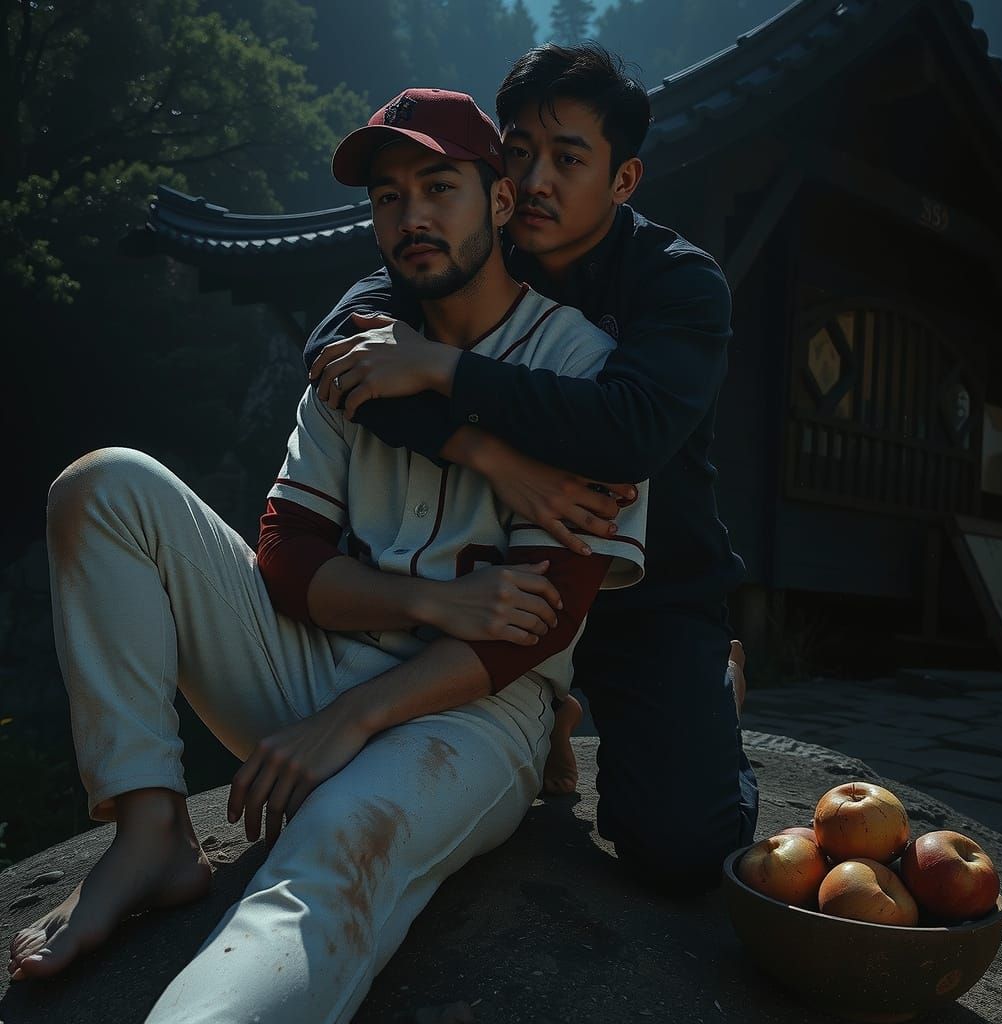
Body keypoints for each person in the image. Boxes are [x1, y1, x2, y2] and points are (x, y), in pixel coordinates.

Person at [8, 89, 648, 1023]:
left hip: (472, 713)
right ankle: (150, 833)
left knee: (333, 849)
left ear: (501, 201)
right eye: (388, 197)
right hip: (308, 667)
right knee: (104, 486)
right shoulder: (358, 354)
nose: (412, 215)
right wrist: (428, 601)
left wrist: (353, 717)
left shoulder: (584, 367)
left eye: (440, 186)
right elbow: (286, 559)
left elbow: (533, 622)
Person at [306, 43, 758, 892]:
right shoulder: (472, 238)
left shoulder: (678, 283)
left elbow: (631, 431)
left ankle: (717, 690)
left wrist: (444, 371)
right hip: (504, 568)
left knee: (681, 850)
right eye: (520, 151)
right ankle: (554, 708)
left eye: (570, 158)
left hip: (641, 586)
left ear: (624, 180)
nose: (538, 179)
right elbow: (336, 343)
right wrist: (481, 454)